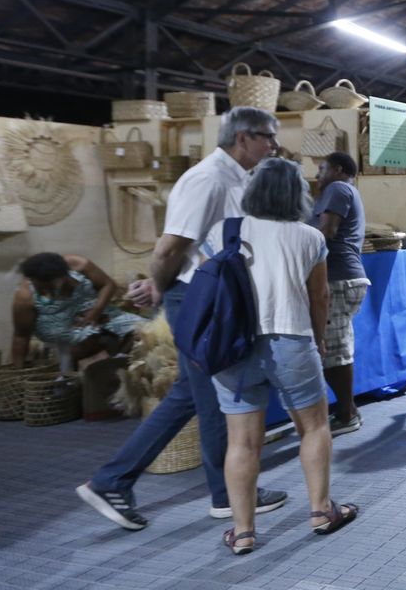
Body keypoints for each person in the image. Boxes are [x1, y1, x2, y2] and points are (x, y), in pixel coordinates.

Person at [76, 107, 288, 532]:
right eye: (267, 136)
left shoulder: (235, 177)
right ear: (242, 138)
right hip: (196, 297)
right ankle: (225, 494)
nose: (273, 145)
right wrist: (158, 288)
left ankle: (115, 481)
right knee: (213, 397)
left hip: (207, 295)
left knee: (193, 394)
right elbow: (169, 248)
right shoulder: (208, 179)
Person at [203, 157, 356, 554]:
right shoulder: (309, 237)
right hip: (292, 341)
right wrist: (319, 341)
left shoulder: (224, 231)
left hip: (235, 347)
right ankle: (321, 511)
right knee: (314, 427)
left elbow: (207, 290)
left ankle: (243, 532)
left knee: (242, 441)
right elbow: (319, 297)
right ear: (296, 194)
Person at [310, 152, 367, 436]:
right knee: (333, 346)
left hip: (338, 278)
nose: (317, 174)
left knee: (334, 349)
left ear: (338, 169)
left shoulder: (338, 188)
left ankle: (347, 414)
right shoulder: (337, 191)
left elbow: (327, 231)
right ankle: (348, 410)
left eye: (322, 168)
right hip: (340, 276)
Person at [11, 252, 141, 365]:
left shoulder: (78, 264)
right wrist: (17, 370)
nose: (48, 291)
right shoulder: (25, 296)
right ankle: (72, 373)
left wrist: (96, 311)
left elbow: (108, 284)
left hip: (100, 313)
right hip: (65, 329)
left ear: (65, 275)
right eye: (42, 289)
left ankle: (120, 361)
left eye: (51, 287)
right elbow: (21, 336)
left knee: (142, 330)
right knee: (90, 340)